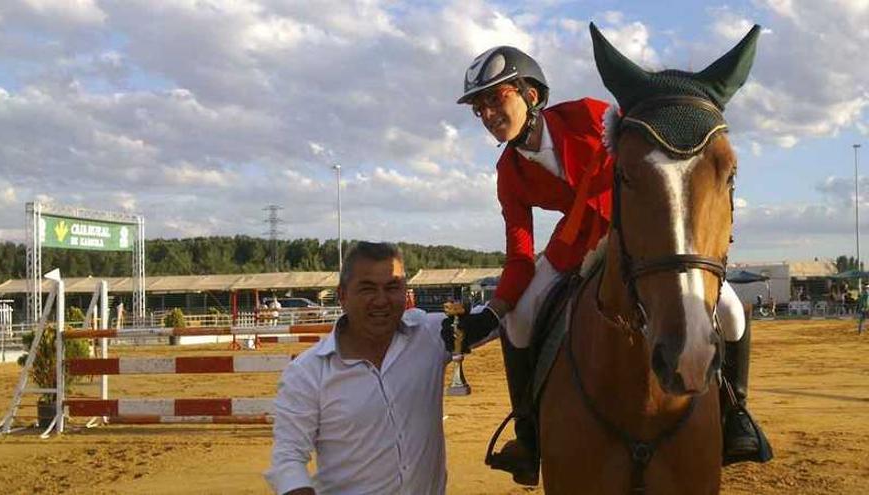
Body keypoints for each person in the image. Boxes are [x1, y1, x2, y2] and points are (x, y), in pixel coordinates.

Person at [455, 46, 769, 484]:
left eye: (496, 98)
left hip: (638, 236)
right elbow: (520, 255)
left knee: (732, 312)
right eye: (480, 107)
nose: (488, 112)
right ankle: (527, 432)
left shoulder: (587, 115)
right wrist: (491, 313)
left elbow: (649, 146)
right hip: (574, 248)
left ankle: (736, 415)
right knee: (521, 322)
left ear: (530, 94)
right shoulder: (509, 171)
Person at [264, 242, 449, 495]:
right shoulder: (307, 373)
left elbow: (502, 317)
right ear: (342, 296)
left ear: (404, 291)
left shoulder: (432, 335)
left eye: (392, 287)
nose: (381, 300)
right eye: (367, 289)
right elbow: (287, 459)